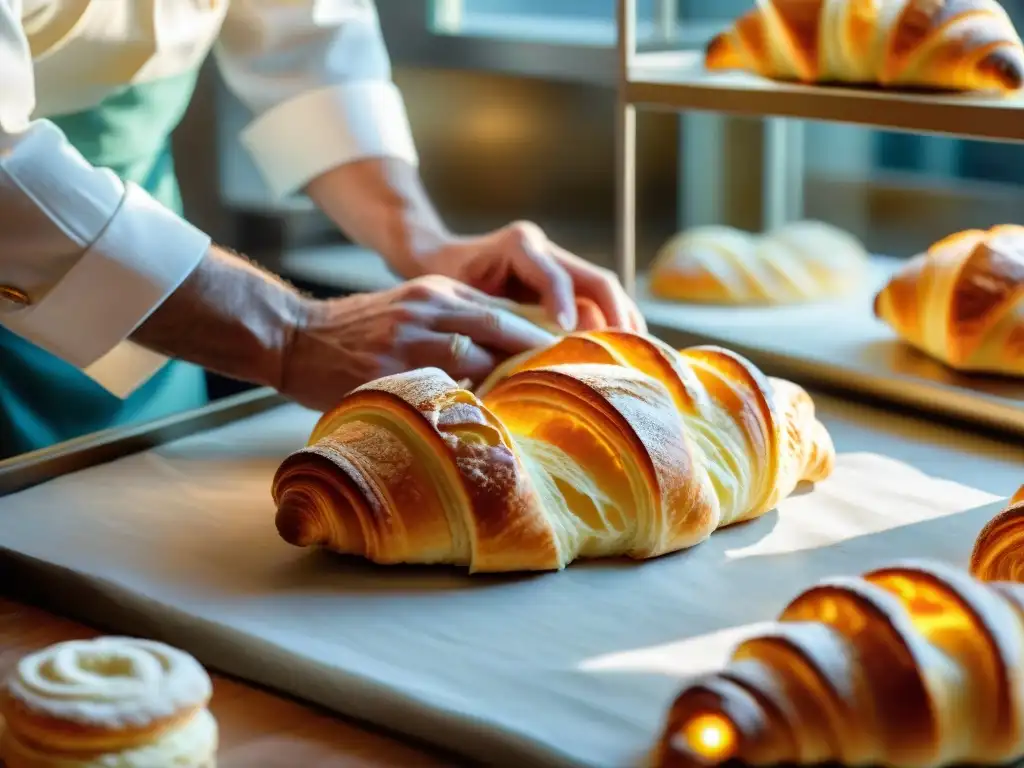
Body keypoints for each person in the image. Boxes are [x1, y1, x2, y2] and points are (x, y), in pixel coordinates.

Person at [0, 0, 644, 460]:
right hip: (112, 264)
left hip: (154, 270)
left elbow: (308, 44)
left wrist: (420, 241)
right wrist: (290, 334)